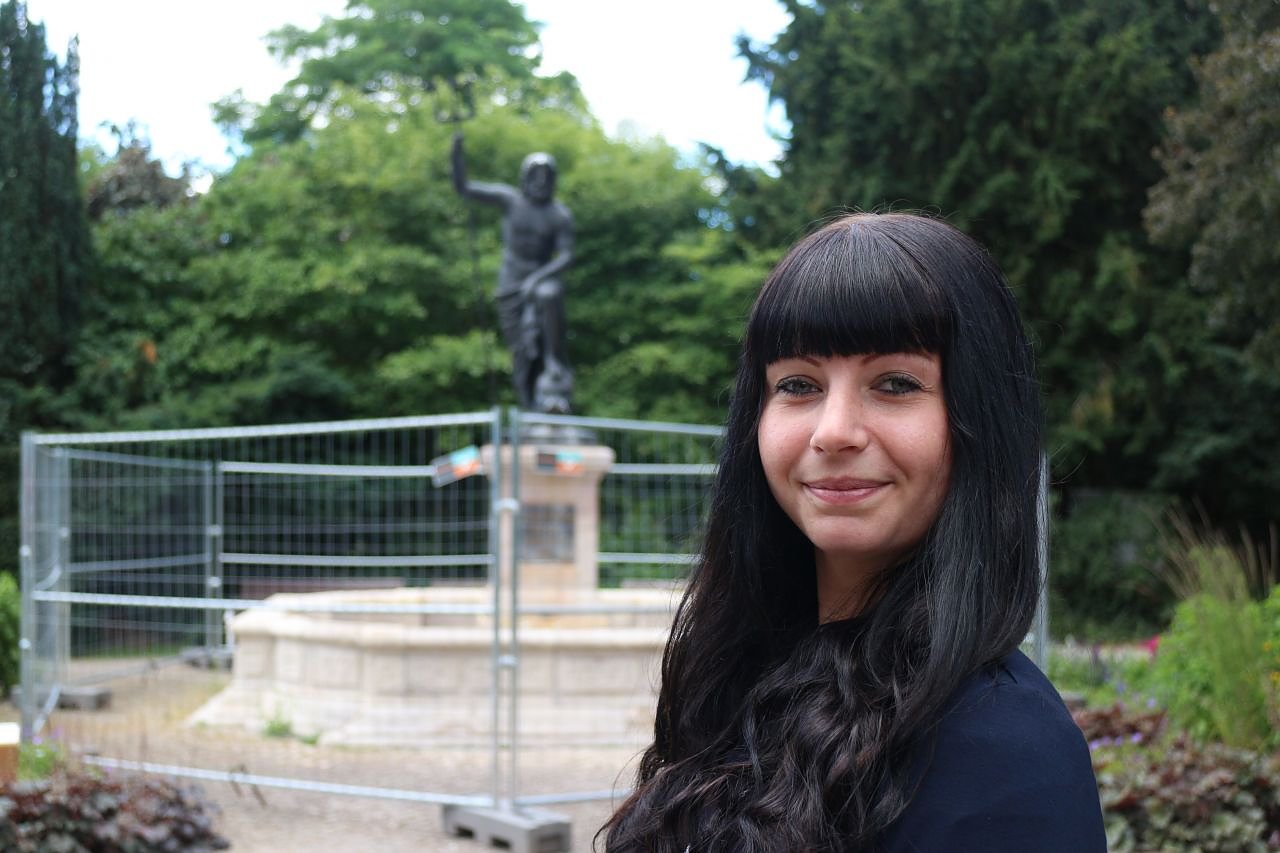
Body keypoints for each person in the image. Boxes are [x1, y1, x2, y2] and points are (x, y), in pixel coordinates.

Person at [601, 213, 1105, 851]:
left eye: (895, 383)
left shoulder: (1004, 752)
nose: (833, 430)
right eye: (798, 385)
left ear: (981, 418)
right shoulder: (744, 678)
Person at [451, 133, 575, 412]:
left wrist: (536, 279)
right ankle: (529, 407)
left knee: (549, 297)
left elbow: (567, 256)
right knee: (520, 352)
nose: (541, 183)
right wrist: (456, 153)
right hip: (510, 286)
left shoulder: (560, 215)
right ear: (525, 178)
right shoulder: (510, 201)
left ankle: (554, 369)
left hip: (541, 280)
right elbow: (464, 187)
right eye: (536, 177)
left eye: (547, 177)